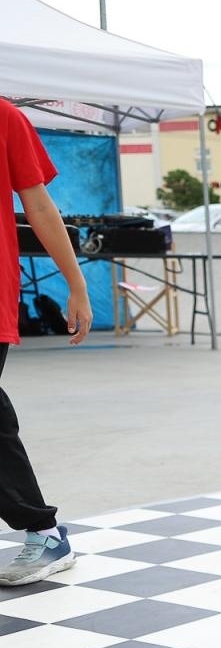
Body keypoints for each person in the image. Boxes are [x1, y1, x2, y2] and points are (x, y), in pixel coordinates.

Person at [0, 98, 93, 588]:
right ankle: (42, 528)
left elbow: (37, 204)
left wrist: (75, 285)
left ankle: (43, 530)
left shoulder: (6, 118)